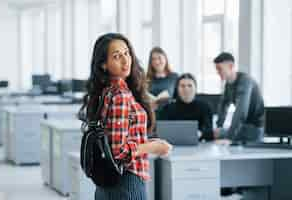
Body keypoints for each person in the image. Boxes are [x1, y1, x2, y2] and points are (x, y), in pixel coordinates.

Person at [80, 33, 172, 200]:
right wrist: (153, 147)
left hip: (109, 185)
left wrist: (151, 142)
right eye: (116, 56)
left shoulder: (105, 91)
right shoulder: (120, 95)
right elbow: (118, 152)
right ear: (104, 65)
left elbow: (118, 140)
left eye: (127, 53)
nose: (125, 60)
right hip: (127, 183)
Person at [213, 52, 265, 145]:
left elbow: (241, 112)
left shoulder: (245, 81)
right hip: (242, 127)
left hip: (254, 129)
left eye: (220, 69)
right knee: (217, 135)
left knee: (226, 142)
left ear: (231, 66)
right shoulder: (228, 84)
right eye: (217, 69)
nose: (218, 72)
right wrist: (219, 127)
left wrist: (229, 138)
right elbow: (223, 105)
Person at [157, 73, 214, 141]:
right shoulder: (168, 108)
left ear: (195, 88)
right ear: (177, 88)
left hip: (199, 145)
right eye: (182, 86)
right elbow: (161, 131)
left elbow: (209, 131)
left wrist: (199, 134)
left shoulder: (205, 107)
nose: (186, 89)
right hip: (173, 145)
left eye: (190, 86)